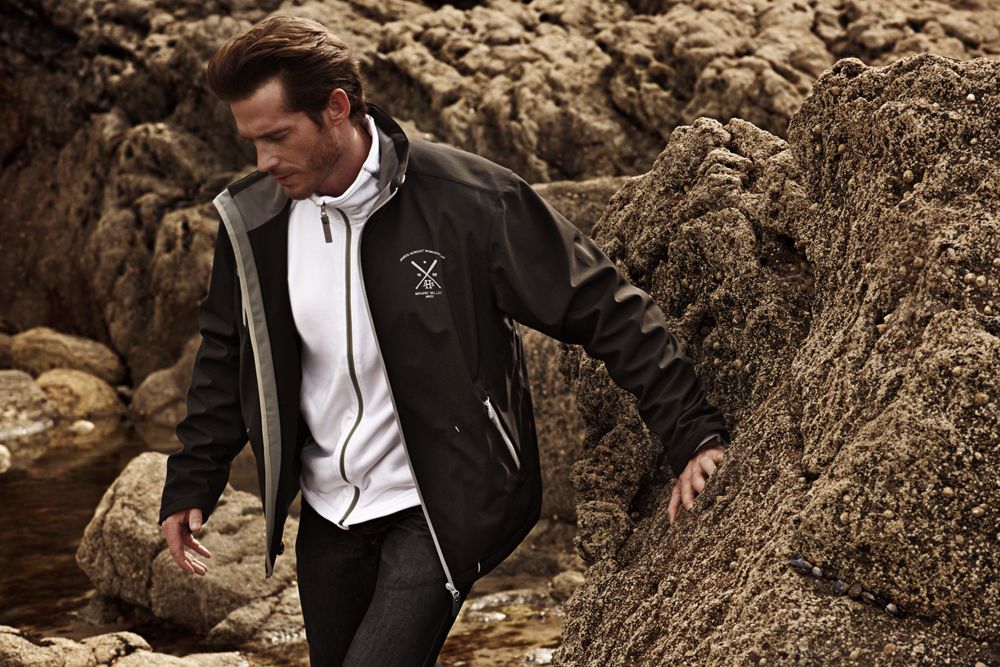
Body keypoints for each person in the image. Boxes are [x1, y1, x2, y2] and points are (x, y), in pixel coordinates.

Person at [158, 15, 730, 667]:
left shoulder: (466, 200)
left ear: (336, 108)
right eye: (252, 142)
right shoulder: (254, 221)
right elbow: (227, 355)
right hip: (328, 514)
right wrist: (194, 480)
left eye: (277, 136)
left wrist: (692, 434)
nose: (263, 162)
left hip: (435, 502)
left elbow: (602, 306)